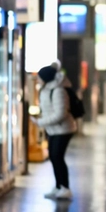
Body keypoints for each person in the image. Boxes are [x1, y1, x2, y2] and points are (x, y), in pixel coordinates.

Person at [35, 65, 77, 200]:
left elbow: (60, 113)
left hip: (63, 129)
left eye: (40, 77)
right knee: (53, 157)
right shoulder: (46, 89)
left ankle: (65, 187)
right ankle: (59, 186)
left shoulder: (58, 90)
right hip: (53, 129)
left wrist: (41, 122)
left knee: (58, 157)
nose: (38, 79)